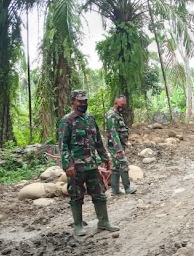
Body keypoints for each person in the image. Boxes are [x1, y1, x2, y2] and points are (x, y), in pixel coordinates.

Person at [58, 90, 119, 236]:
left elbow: (97, 140)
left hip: (92, 164)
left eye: (85, 101)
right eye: (80, 101)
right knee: (76, 195)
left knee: (99, 193)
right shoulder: (67, 121)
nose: (83, 104)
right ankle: (78, 225)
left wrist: (105, 158)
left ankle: (103, 221)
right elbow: (63, 145)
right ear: (72, 102)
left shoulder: (90, 119)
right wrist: (68, 165)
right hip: (76, 167)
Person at [105, 95, 136, 195]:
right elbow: (113, 134)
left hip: (119, 145)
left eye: (124, 105)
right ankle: (127, 188)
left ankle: (115, 190)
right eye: (121, 105)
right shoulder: (111, 115)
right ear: (116, 103)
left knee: (116, 166)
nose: (123, 107)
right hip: (114, 146)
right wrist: (119, 150)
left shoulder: (118, 114)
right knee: (123, 163)